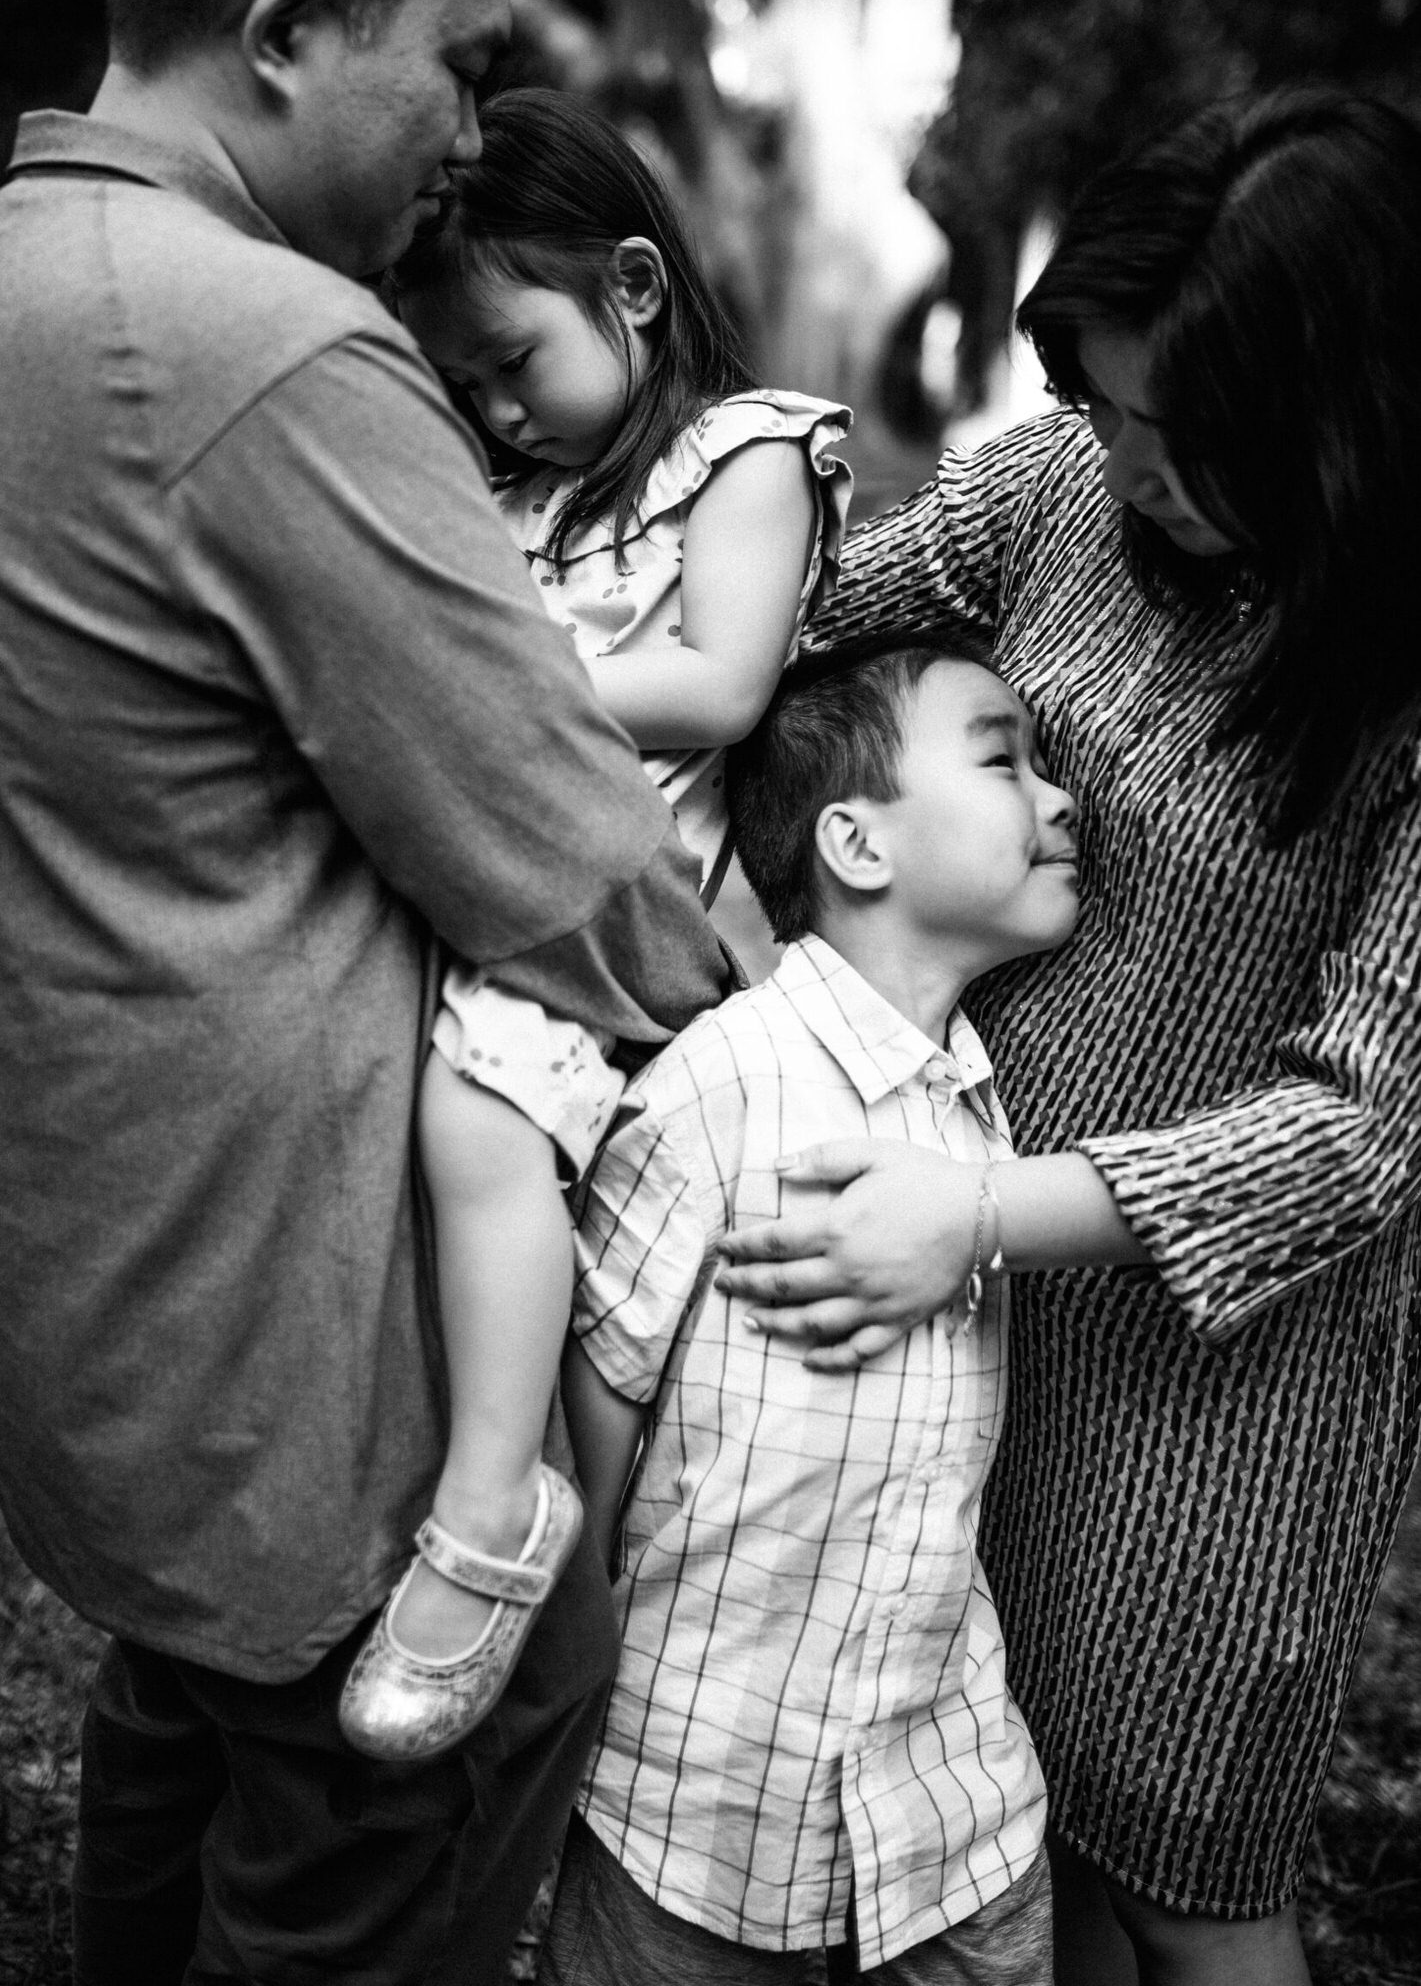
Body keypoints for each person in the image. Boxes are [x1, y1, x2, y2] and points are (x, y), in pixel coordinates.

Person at [0, 0, 738, 1981]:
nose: (479, 132)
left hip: (100, 1305)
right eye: (462, 61)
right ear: (292, 24)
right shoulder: (269, 347)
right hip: (307, 1352)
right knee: (459, 1738)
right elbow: (584, 860)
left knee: (180, 1726)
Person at [712, 88, 1421, 1986]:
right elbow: (779, 645)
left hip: (1217, 1401)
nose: (1121, 463)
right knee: (1010, 1835)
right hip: (959, 1303)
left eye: (1171, 430)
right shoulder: (1056, 493)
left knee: (1191, 1887)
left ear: (1330, 416)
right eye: (1097, 405)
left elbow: (1365, 1127)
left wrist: (978, 1208)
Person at [337, 89, 851, 1761]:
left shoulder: (744, 453)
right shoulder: (518, 489)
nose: (497, 406)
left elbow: (719, 679)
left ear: (633, 286)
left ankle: (496, 1514)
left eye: (511, 359)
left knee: (477, 1107)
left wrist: (495, 678)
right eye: (464, 381)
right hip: (484, 884)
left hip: (617, 924)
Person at [534, 635, 1081, 1985]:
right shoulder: (721, 1084)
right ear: (856, 843)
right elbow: (597, 1386)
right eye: (1004, 758)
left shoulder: (985, 1098)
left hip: (949, 1799)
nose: (1061, 798)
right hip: (692, 1800)